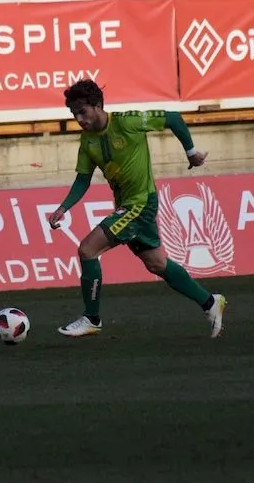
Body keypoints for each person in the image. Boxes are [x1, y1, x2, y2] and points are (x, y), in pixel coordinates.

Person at [48, 80, 228, 338]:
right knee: (157, 264)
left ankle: (92, 318)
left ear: (97, 105)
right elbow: (83, 179)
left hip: (140, 204)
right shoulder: (87, 142)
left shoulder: (127, 122)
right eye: (74, 114)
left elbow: (173, 118)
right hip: (127, 205)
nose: (79, 119)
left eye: (82, 112)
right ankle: (210, 302)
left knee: (87, 249)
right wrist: (64, 207)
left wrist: (191, 153)